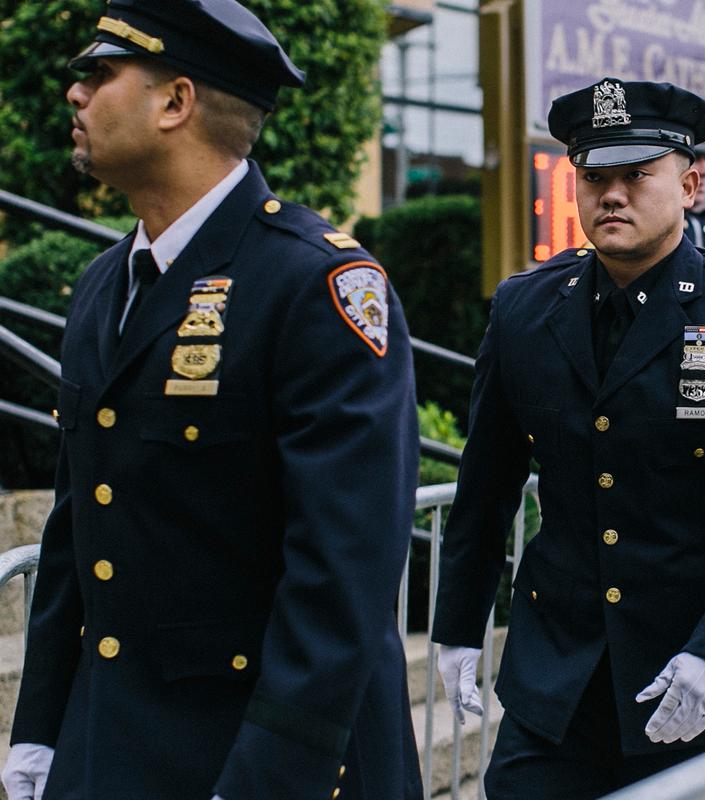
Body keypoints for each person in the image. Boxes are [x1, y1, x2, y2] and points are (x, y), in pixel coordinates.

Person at [2, 2, 423, 798]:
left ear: (175, 102)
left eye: (99, 73)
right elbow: (76, 529)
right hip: (117, 744)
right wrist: (39, 735)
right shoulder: (102, 285)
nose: (75, 93)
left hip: (267, 752)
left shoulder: (317, 284)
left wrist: (266, 780)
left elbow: (341, 576)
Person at [430, 77, 705, 799]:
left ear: (690, 183)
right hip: (563, 671)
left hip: (702, 671)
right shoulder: (526, 307)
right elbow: (487, 477)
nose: (611, 194)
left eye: (636, 175)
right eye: (594, 177)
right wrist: (459, 622)